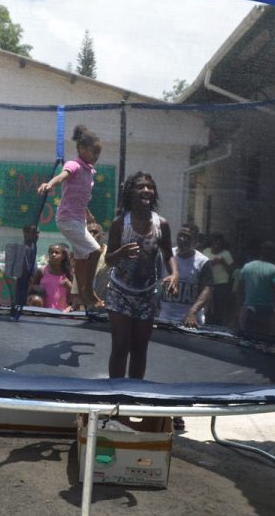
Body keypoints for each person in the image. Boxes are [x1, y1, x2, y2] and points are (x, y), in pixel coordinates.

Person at [105, 172, 178, 379]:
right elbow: (109, 259)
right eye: (140, 187)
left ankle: (134, 391)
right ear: (130, 193)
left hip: (147, 294)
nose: (146, 190)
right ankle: (115, 390)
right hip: (120, 292)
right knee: (121, 345)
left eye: (150, 187)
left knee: (139, 348)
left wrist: (174, 274)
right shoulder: (120, 223)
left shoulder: (161, 224)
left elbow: (168, 255)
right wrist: (120, 253)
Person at [37, 124, 104, 310]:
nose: (96, 157)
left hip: (78, 220)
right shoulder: (74, 165)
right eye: (93, 152)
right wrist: (50, 184)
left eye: (98, 154)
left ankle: (81, 293)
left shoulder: (89, 171)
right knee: (95, 251)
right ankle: (88, 291)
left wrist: (87, 213)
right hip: (67, 219)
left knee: (82, 258)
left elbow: (80, 196)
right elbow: (62, 176)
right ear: (81, 149)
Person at [157, 223, 213, 329]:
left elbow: (207, 290)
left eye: (187, 237)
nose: (182, 239)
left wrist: (192, 312)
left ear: (196, 242)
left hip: (190, 323)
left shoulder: (203, 261)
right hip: (165, 319)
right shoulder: (165, 256)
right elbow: (152, 281)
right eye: (180, 235)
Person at [236, 240, 275, 336]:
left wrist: (238, 307)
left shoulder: (247, 267)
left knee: (246, 337)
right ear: (273, 253)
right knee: (268, 339)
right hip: (267, 310)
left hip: (249, 307)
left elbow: (239, 289)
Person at [202, 233, 234, 326]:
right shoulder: (206, 251)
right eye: (215, 243)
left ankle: (218, 326)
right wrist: (211, 263)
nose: (216, 246)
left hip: (221, 285)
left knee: (219, 308)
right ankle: (207, 325)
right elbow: (202, 267)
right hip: (208, 284)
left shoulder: (226, 254)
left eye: (219, 244)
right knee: (207, 307)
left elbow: (232, 271)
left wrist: (223, 262)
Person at [31, 243, 74, 312]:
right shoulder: (41, 271)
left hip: (62, 313)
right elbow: (32, 290)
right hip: (42, 312)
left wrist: (70, 287)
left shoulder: (68, 273)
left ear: (63, 256)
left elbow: (76, 297)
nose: (53, 255)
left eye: (57, 253)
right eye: (51, 252)